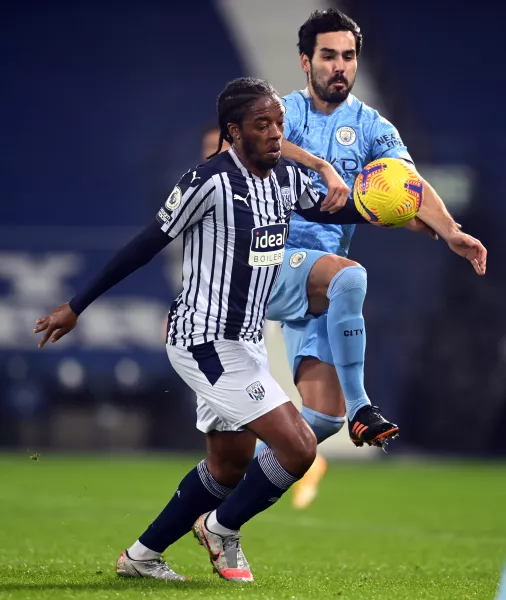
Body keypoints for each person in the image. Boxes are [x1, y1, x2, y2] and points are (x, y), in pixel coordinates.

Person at [33, 77, 380, 583]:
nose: (275, 134)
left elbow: (333, 205)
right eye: (262, 125)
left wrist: (393, 208)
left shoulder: (284, 177)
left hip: (244, 341)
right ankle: (221, 529)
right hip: (204, 342)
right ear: (232, 132)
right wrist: (77, 305)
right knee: (300, 446)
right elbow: (146, 243)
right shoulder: (208, 182)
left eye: (279, 124)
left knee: (229, 463)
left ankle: (141, 556)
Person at [256, 8, 488, 509]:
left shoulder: (370, 126)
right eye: (328, 56)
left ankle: (223, 506)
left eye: (348, 56)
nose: (339, 66)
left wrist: (451, 231)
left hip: (318, 280)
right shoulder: (284, 113)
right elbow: (261, 144)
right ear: (305, 61)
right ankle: (365, 406)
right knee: (351, 279)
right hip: (266, 263)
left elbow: (409, 184)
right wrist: (319, 164)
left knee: (320, 420)